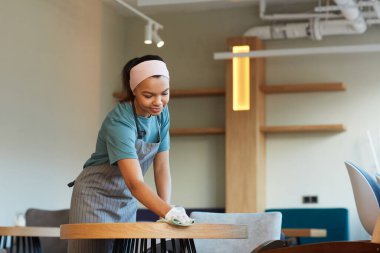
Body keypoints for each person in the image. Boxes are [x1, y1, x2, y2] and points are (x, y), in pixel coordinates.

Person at [68, 55, 193, 253]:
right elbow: (135, 182)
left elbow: (161, 167)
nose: (158, 102)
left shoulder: (162, 116)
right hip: (95, 197)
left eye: (164, 93)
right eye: (149, 95)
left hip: (126, 199)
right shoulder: (119, 121)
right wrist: (168, 212)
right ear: (133, 90)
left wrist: (165, 210)